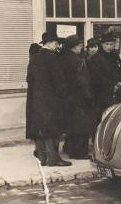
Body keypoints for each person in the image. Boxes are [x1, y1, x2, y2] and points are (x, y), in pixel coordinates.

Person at [26, 32, 72, 166]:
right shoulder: (53, 58)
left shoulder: (34, 58)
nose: (57, 46)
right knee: (53, 129)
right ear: (51, 43)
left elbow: (30, 79)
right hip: (53, 100)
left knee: (40, 129)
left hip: (37, 100)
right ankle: (54, 159)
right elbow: (59, 82)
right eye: (57, 43)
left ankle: (43, 158)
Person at [61, 35, 95, 159]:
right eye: (80, 46)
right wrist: (89, 97)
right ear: (75, 47)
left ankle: (69, 149)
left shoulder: (63, 59)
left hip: (69, 98)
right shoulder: (79, 61)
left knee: (71, 125)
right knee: (83, 126)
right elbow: (83, 81)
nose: (81, 48)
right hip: (80, 98)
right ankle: (80, 153)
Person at [89, 32, 121, 119]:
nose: (109, 46)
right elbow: (97, 77)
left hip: (117, 93)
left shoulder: (115, 56)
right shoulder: (95, 58)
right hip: (102, 95)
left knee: (116, 117)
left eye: (111, 44)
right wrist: (112, 86)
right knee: (104, 117)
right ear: (101, 44)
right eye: (106, 44)